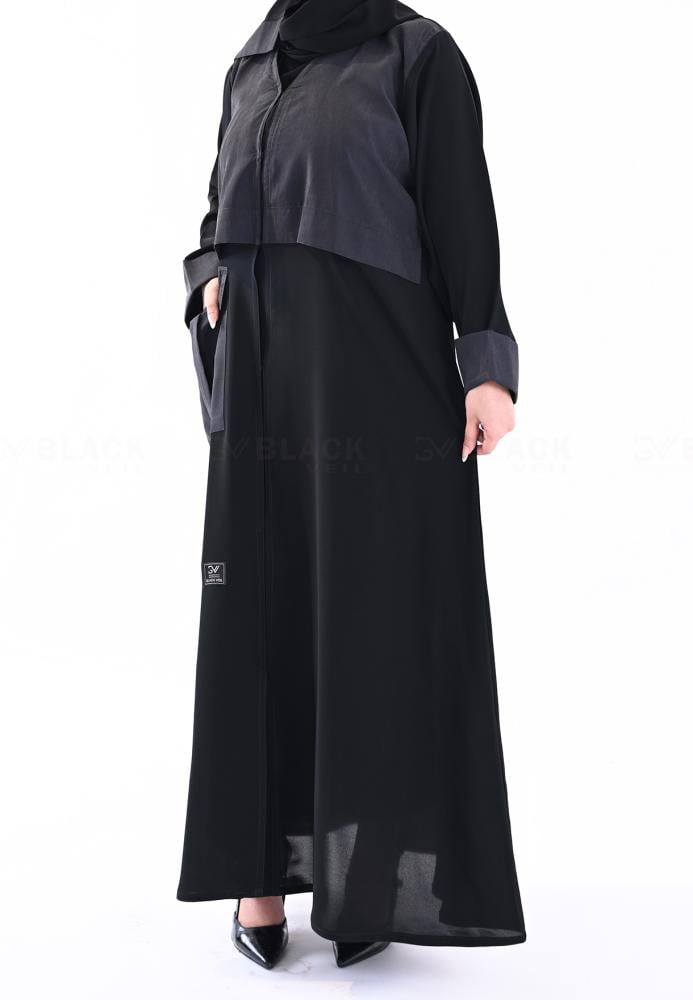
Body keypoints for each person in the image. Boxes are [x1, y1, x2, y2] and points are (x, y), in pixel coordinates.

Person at [177, 0, 526, 971]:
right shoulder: (251, 64)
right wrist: (210, 274)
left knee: (369, 622)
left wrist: (486, 367)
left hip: (375, 382)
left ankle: (363, 876)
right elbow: (214, 209)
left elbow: (462, 214)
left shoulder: (417, 56)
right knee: (258, 618)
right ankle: (256, 876)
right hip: (263, 389)